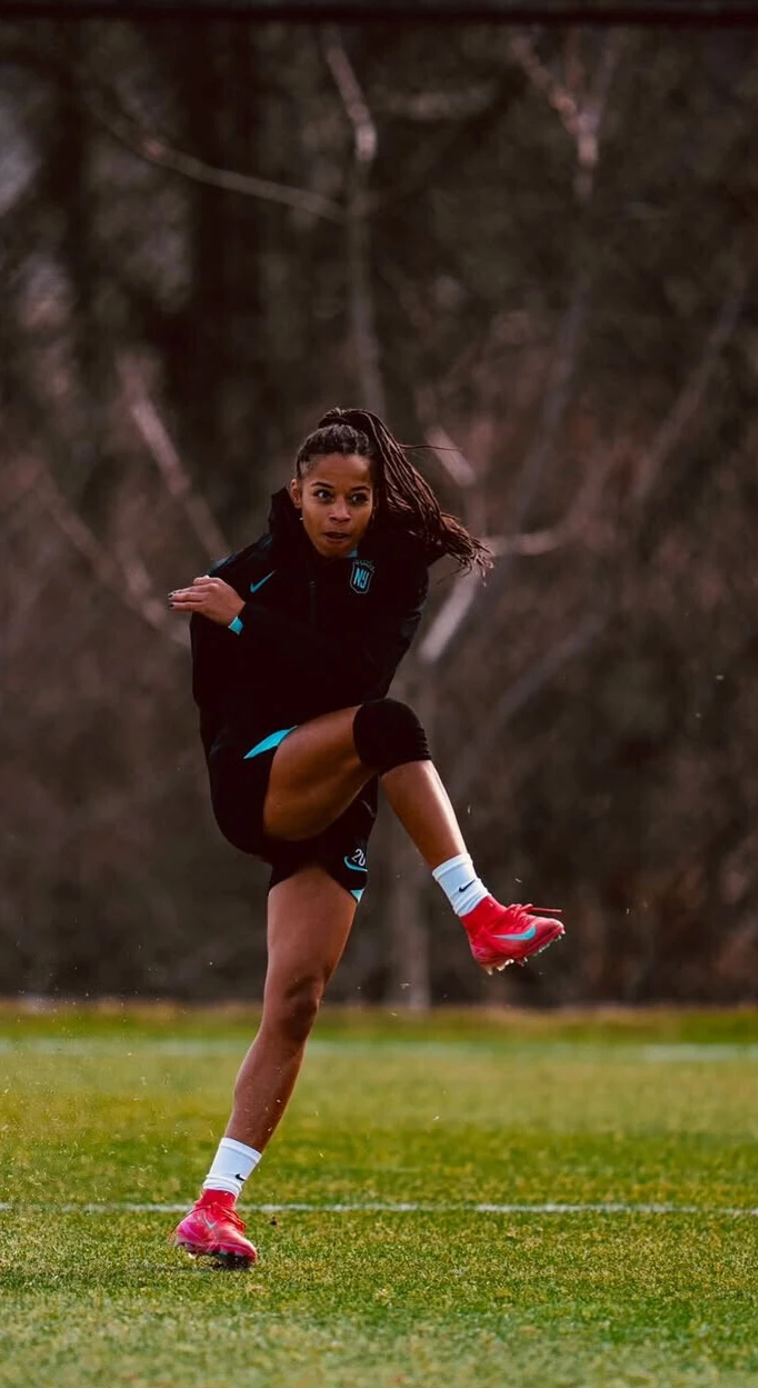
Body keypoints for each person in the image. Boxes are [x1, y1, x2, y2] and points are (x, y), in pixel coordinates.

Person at [168, 407, 564, 1268]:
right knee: (391, 724)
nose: (341, 513)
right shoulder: (241, 578)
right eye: (324, 497)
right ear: (296, 496)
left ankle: (213, 1206)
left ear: (376, 499)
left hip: (333, 784)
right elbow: (236, 705)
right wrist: (238, 620)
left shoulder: (393, 568)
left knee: (297, 1005)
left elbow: (352, 676)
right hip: (254, 780)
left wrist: (250, 626)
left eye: (357, 497)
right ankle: (479, 911)